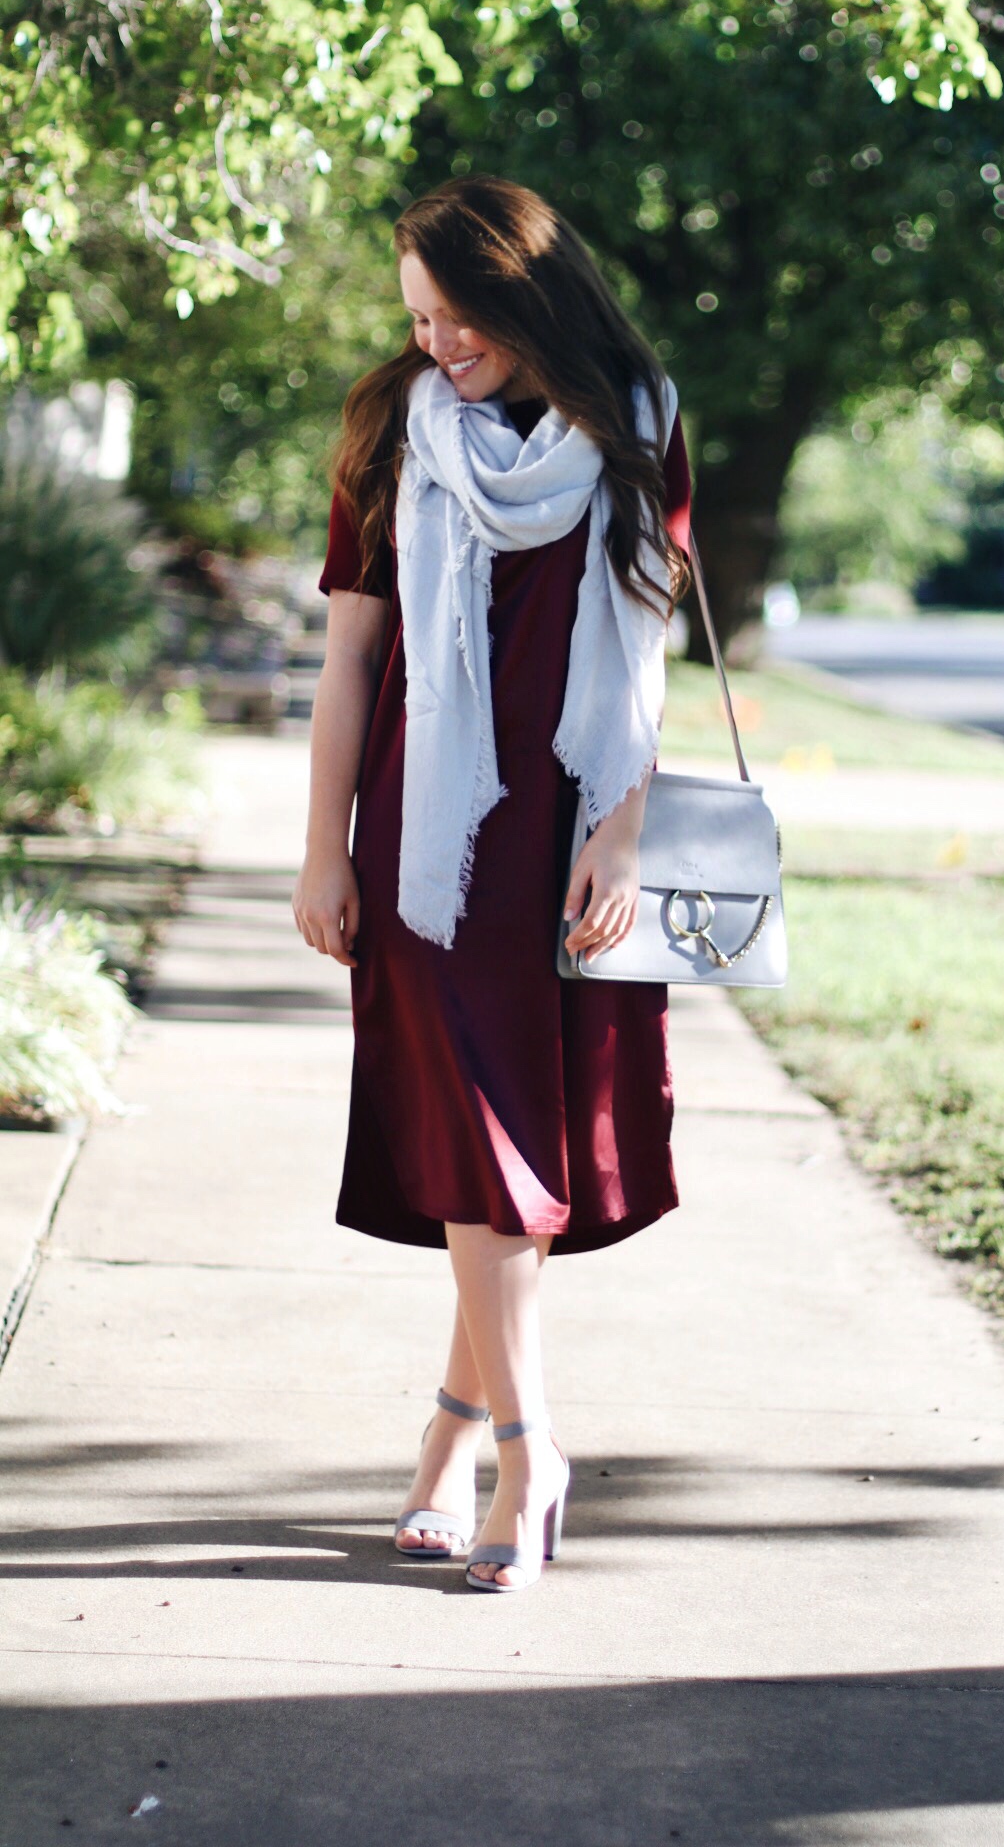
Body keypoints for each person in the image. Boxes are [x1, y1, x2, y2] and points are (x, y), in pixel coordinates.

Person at [291, 175, 692, 1592]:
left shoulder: (635, 420)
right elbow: (349, 660)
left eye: (463, 318)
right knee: (479, 1144)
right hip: (428, 843)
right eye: (419, 319)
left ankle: (450, 1438)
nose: (439, 345)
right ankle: (530, 1454)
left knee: (510, 1156)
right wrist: (323, 840)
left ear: (532, 296)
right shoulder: (393, 433)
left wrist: (625, 830)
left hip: (571, 838)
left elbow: (645, 648)